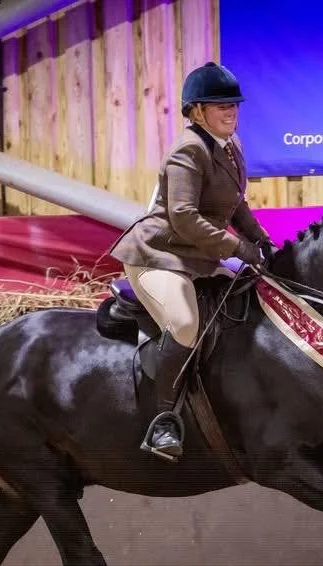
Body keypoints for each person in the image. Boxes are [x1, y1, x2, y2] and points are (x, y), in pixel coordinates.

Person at [108, 61, 274, 461]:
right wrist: (237, 249)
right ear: (196, 111)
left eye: (234, 104)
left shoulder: (231, 147)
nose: (231, 111)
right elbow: (183, 217)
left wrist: (260, 238)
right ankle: (163, 421)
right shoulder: (188, 150)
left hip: (196, 256)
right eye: (221, 106)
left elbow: (235, 205)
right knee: (184, 324)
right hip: (159, 255)